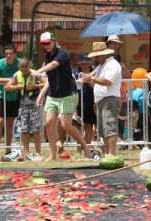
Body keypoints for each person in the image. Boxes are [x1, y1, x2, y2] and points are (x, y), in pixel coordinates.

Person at [33, 32, 96, 161]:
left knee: (66, 125)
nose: (46, 46)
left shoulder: (62, 54)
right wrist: (41, 94)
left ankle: (85, 147)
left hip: (68, 94)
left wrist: (40, 70)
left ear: (54, 41)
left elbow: (53, 65)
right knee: (49, 123)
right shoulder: (47, 55)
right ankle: (52, 155)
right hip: (53, 95)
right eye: (43, 44)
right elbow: (50, 79)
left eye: (48, 43)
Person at [83, 42, 122, 157]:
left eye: (98, 55)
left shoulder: (113, 65)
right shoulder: (101, 66)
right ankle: (107, 153)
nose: (96, 58)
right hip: (102, 100)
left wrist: (91, 77)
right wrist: (96, 100)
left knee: (110, 127)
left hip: (110, 99)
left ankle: (112, 154)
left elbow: (107, 82)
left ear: (104, 54)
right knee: (103, 129)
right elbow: (98, 83)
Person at [6, 58, 46, 161]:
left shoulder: (35, 73)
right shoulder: (17, 74)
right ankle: (26, 153)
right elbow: (7, 87)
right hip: (23, 106)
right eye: (22, 69)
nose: (24, 71)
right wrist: (17, 87)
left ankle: (38, 153)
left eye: (26, 69)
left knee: (36, 130)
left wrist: (34, 86)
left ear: (30, 66)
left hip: (34, 105)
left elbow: (46, 83)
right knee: (24, 130)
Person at [0, 44, 21, 158]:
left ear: (15, 54)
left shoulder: (19, 62)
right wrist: (11, 80)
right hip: (1, 95)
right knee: (0, 121)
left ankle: (8, 148)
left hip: (15, 96)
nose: (8, 56)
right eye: (6, 53)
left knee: (10, 122)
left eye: (10, 54)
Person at [73, 53, 96, 152]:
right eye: (82, 64)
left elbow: (96, 86)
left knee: (89, 124)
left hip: (91, 100)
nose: (85, 66)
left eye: (87, 63)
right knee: (78, 125)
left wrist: (88, 80)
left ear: (90, 64)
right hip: (78, 101)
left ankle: (88, 146)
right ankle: (79, 147)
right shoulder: (74, 72)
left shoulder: (94, 72)